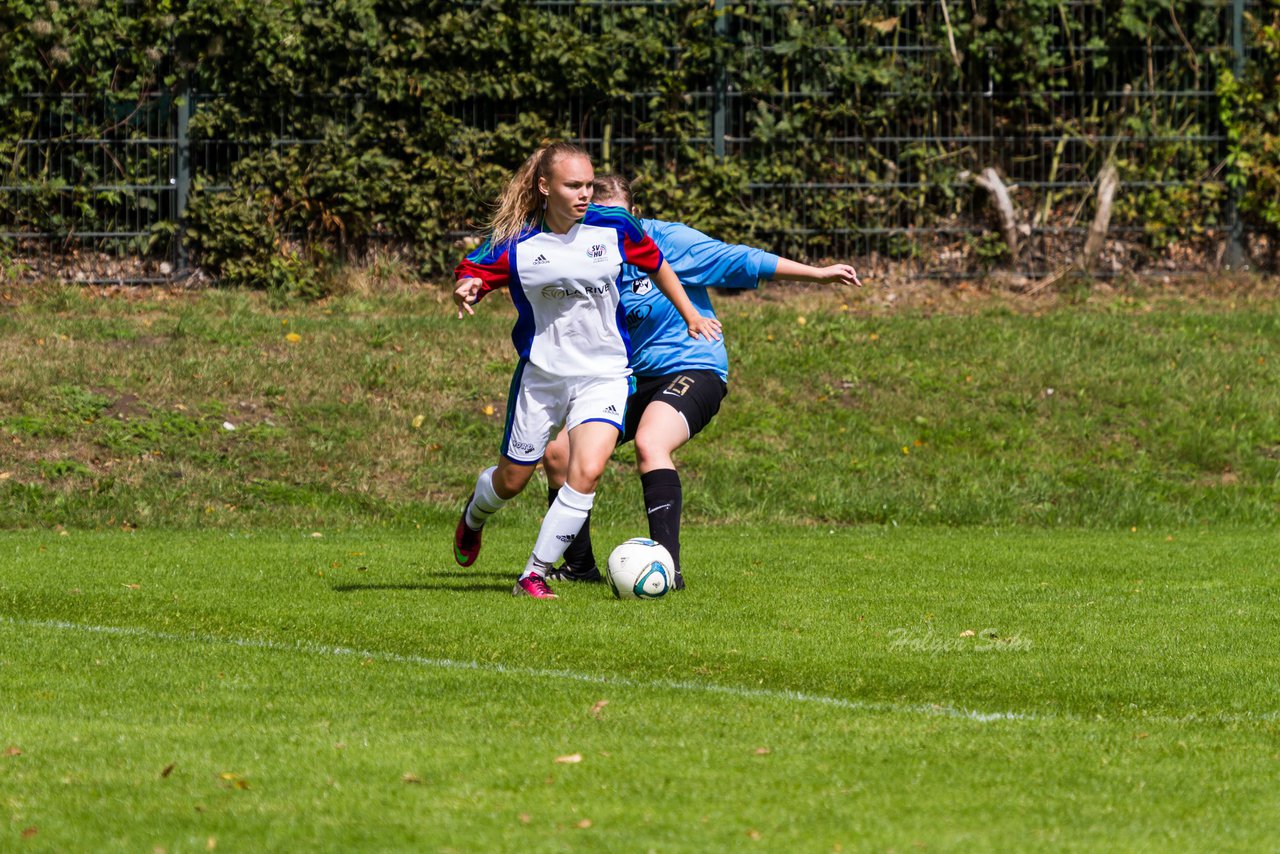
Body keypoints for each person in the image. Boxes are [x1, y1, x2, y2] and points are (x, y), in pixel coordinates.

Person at [542, 174, 862, 589]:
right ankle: (580, 568)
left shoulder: (665, 241)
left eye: (620, 218)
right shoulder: (583, 257)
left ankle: (666, 571)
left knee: (650, 442)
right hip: (628, 381)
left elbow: (737, 260)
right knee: (558, 454)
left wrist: (817, 275)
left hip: (693, 367)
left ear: (634, 215)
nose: (612, 228)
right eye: (601, 220)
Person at [451, 145, 722, 599]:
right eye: (572, 186)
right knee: (511, 481)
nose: (584, 195)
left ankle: (533, 574)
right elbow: (474, 273)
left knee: (588, 470)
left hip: (606, 373)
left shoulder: (614, 226)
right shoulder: (517, 243)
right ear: (544, 188)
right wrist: (469, 288)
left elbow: (656, 263)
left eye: (589, 185)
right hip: (543, 377)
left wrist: (691, 313)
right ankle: (475, 514)